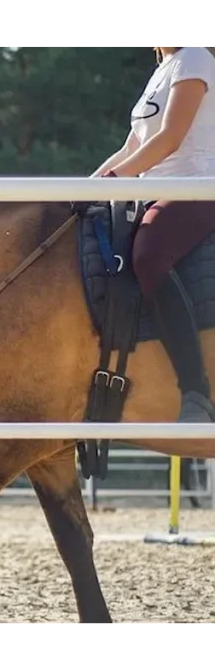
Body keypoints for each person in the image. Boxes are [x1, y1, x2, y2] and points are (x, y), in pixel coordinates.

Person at [91, 43, 215, 423]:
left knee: (147, 255)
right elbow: (133, 146)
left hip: (197, 187)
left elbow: (170, 138)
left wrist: (113, 181)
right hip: (155, 192)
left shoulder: (195, 57)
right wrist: (86, 186)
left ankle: (196, 392)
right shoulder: (162, 68)